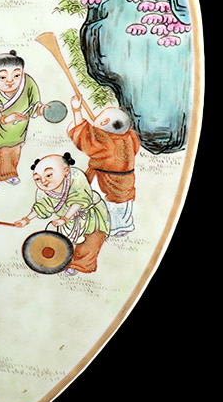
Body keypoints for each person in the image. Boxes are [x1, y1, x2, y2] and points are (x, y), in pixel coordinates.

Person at [12, 153, 111, 274]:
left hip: (90, 216)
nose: (43, 181)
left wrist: (64, 218)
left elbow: (79, 201)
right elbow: (41, 207)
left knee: (90, 241)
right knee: (65, 244)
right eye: (37, 178)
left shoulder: (76, 176)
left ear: (66, 171)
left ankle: (80, 265)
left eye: (49, 175)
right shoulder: (43, 192)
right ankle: (68, 263)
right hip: (66, 221)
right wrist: (26, 219)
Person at [67, 96, 140, 237]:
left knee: (100, 202)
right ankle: (122, 227)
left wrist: (76, 110)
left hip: (105, 180)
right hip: (126, 181)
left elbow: (84, 139)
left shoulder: (105, 141)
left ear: (104, 122)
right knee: (122, 204)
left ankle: (103, 228)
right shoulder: (129, 137)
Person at [0, 50, 45, 191]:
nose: (11, 81)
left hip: (16, 128)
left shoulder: (28, 82)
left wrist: (42, 110)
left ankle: (6, 173)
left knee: (11, 151)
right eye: (2, 77)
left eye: (17, 75)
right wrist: (4, 119)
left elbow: (34, 103)